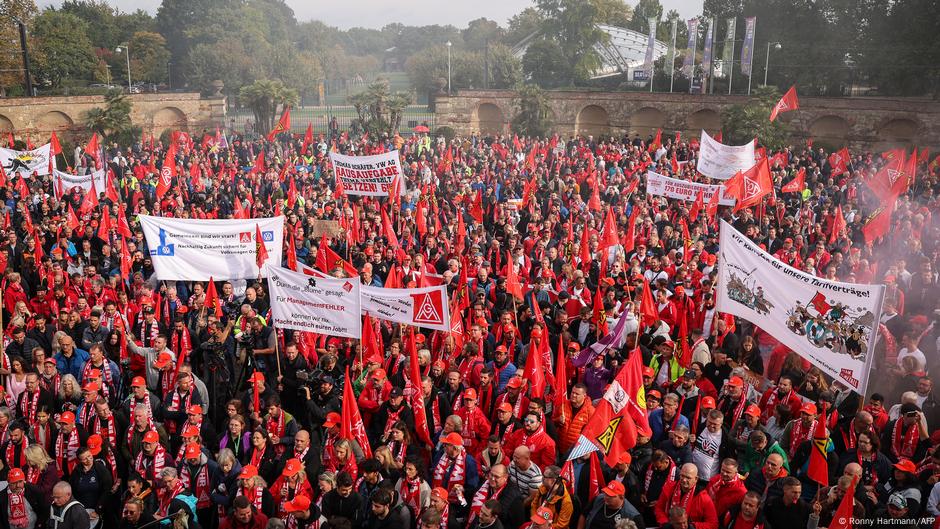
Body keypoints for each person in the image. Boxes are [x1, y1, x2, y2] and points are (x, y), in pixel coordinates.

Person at [654, 463, 718, 529]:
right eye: (682, 476)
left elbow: (713, 524)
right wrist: (665, 523)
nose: (684, 480)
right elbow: (659, 508)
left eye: (688, 478)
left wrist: (693, 526)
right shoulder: (669, 487)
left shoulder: (704, 498)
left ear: (696, 479)